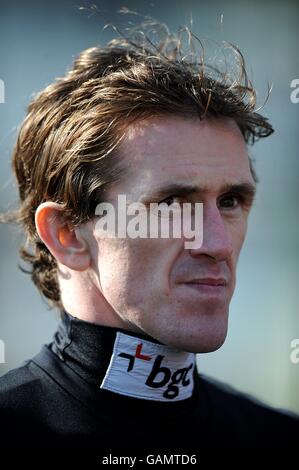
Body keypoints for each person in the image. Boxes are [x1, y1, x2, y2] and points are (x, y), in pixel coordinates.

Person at [0, 19, 298, 453]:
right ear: (67, 234)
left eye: (231, 201)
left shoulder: (278, 440)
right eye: (173, 204)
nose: (216, 244)